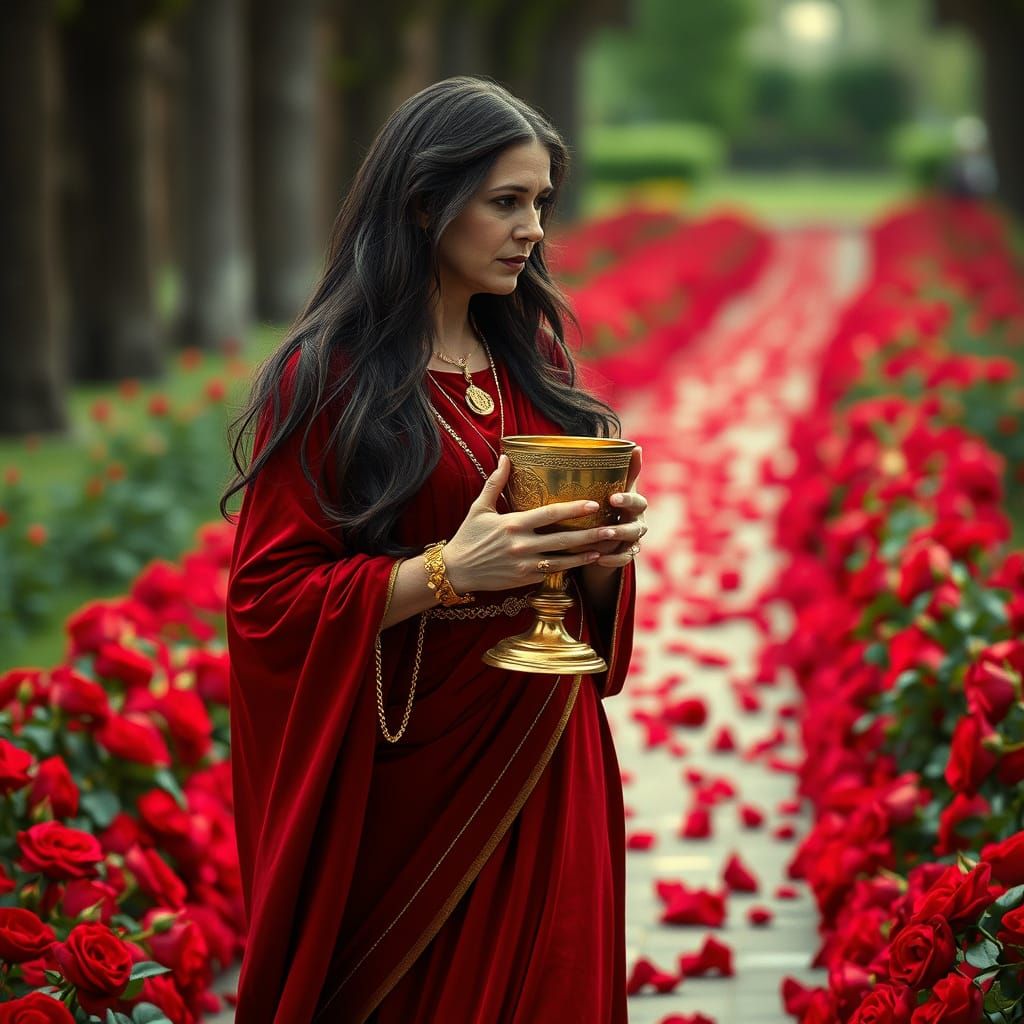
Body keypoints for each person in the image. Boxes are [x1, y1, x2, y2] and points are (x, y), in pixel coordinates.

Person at [222, 76, 647, 1024]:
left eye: (540, 202)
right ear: (423, 204)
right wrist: (449, 572)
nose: (532, 228)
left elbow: (574, 591)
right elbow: (266, 601)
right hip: (408, 777)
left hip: (548, 754)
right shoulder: (330, 378)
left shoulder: (533, 371)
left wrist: (606, 560)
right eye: (505, 202)